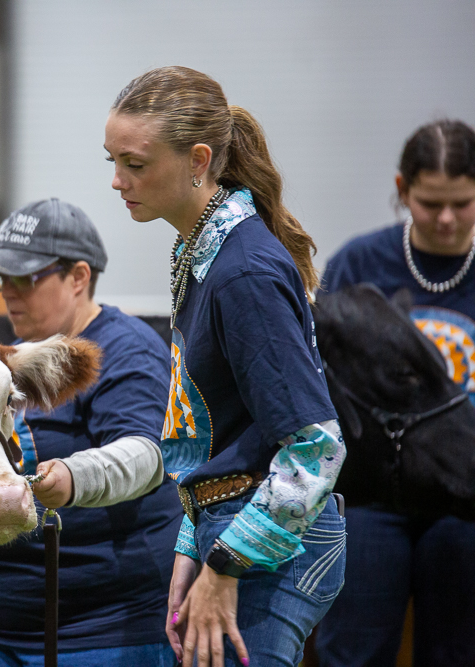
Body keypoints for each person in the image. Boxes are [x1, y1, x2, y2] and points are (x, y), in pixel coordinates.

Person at [105, 66, 347, 667]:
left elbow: (316, 448)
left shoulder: (244, 272)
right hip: (231, 531)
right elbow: (222, 431)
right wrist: (193, 544)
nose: (117, 180)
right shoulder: (204, 253)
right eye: (113, 161)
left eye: (135, 164)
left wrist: (226, 565)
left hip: (268, 548)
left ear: (199, 160)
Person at [0, 197, 181, 666]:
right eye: (0, 278)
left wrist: (74, 477)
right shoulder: (11, 360)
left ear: (78, 277)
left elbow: (147, 455)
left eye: (25, 278)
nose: (8, 293)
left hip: (101, 636)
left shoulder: (124, 350)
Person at [314, 119, 475, 666]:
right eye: (431, 203)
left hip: (464, 492)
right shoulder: (359, 263)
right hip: (371, 499)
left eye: (462, 203)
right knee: (353, 653)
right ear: (403, 190)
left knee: (457, 653)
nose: (447, 218)